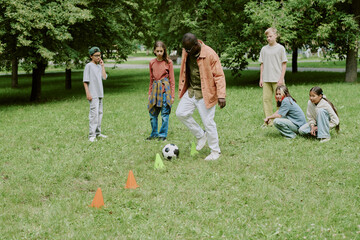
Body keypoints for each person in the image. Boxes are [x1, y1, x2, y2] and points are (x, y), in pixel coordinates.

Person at [176, 33, 226, 161]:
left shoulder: (210, 54)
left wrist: (221, 95)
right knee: (181, 113)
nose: (186, 52)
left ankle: (215, 151)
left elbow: (219, 75)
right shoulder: (187, 51)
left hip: (206, 92)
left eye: (189, 49)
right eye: (185, 49)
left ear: (196, 45)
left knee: (208, 122)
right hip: (192, 90)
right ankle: (200, 135)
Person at [147, 41, 175, 141]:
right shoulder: (152, 62)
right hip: (155, 90)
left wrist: (172, 96)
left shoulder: (168, 62)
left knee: (164, 114)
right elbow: (151, 79)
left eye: (161, 51)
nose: (159, 53)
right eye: (157, 51)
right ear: (154, 51)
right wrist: (150, 93)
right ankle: (154, 133)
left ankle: (162, 135)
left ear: (164, 51)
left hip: (165, 91)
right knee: (152, 114)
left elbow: (172, 80)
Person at [259, 27, 288, 126]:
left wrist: (281, 78)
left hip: (277, 79)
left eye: (270, 36)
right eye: (267, 37)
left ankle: (280, 120)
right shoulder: (264, 49)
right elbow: (262, 64)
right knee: (266, 99)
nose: (268, 38)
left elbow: (284, 64)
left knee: (281, 100)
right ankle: (268, 121)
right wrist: (261, 78)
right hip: (266, 79)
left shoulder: (280, 48)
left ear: (275, 36)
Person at [83, 46, 107, 142]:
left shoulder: (99, 66)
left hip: (100, 92)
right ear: (91, 56)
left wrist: (102, 66)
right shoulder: (88, 66)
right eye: (96, 55)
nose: (98, 57)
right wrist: (88, 93)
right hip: (93, 94)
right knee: (94, 114)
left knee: (99, 113)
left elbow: (104, 77)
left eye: (99, 55)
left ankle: (98, 133)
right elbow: (85, 81)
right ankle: (91, 135)